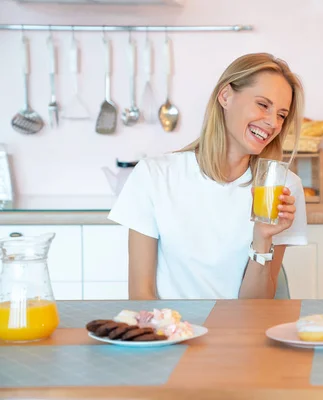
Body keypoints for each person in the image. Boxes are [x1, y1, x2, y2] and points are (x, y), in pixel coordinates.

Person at [108, 53, 308, 300]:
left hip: (241, 335)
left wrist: (263, 238)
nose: (272, 123)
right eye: (263, 105)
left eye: (281, 114)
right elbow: (141, 296)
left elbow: (258, 308)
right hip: (171, 333)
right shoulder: (154, 175)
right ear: (225, 96)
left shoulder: (283, 187)